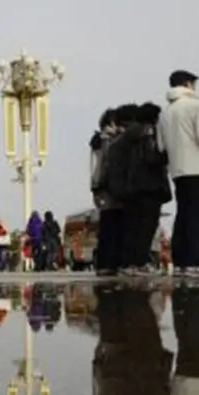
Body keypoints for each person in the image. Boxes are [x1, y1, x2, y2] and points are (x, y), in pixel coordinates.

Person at [157, 70, 199, 275]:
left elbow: (162, 147)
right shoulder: (197, 105)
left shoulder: (166, 112)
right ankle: (193, 260)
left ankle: (180, 259)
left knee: (183, 213)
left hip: (178, 169)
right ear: (189, 84)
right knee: (197, 215)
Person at [109, 102, 171, 275]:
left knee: (132, 227)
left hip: (132, 189)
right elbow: (152, 158)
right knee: (146, 228)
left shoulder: (125, 137)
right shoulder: (148, 134)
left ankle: (129, 263)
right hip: (150, 187)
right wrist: (166, 157)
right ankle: (140, 262)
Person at [90, 108, 121, 276]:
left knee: (107, 225)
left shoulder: (98, 140)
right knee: (112, 225)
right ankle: (108, 263)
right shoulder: (108, 140)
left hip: (101, 184)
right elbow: (106, 165)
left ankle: (104, 263)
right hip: (109, 185)